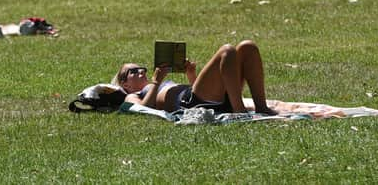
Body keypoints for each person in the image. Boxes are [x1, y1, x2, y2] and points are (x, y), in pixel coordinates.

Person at [112, 40, 278, 115]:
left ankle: (261, 106)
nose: (140, 71)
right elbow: (142, 109)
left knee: (247, 47)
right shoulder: (132, 95)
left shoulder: (157, 84)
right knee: (227, 50)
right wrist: (156, 81)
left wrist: (190, 74)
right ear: (125, 84)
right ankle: (239, 110)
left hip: (201, 98)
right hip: (191, 103)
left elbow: (197, 91)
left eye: (141, 68)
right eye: (132, 71)